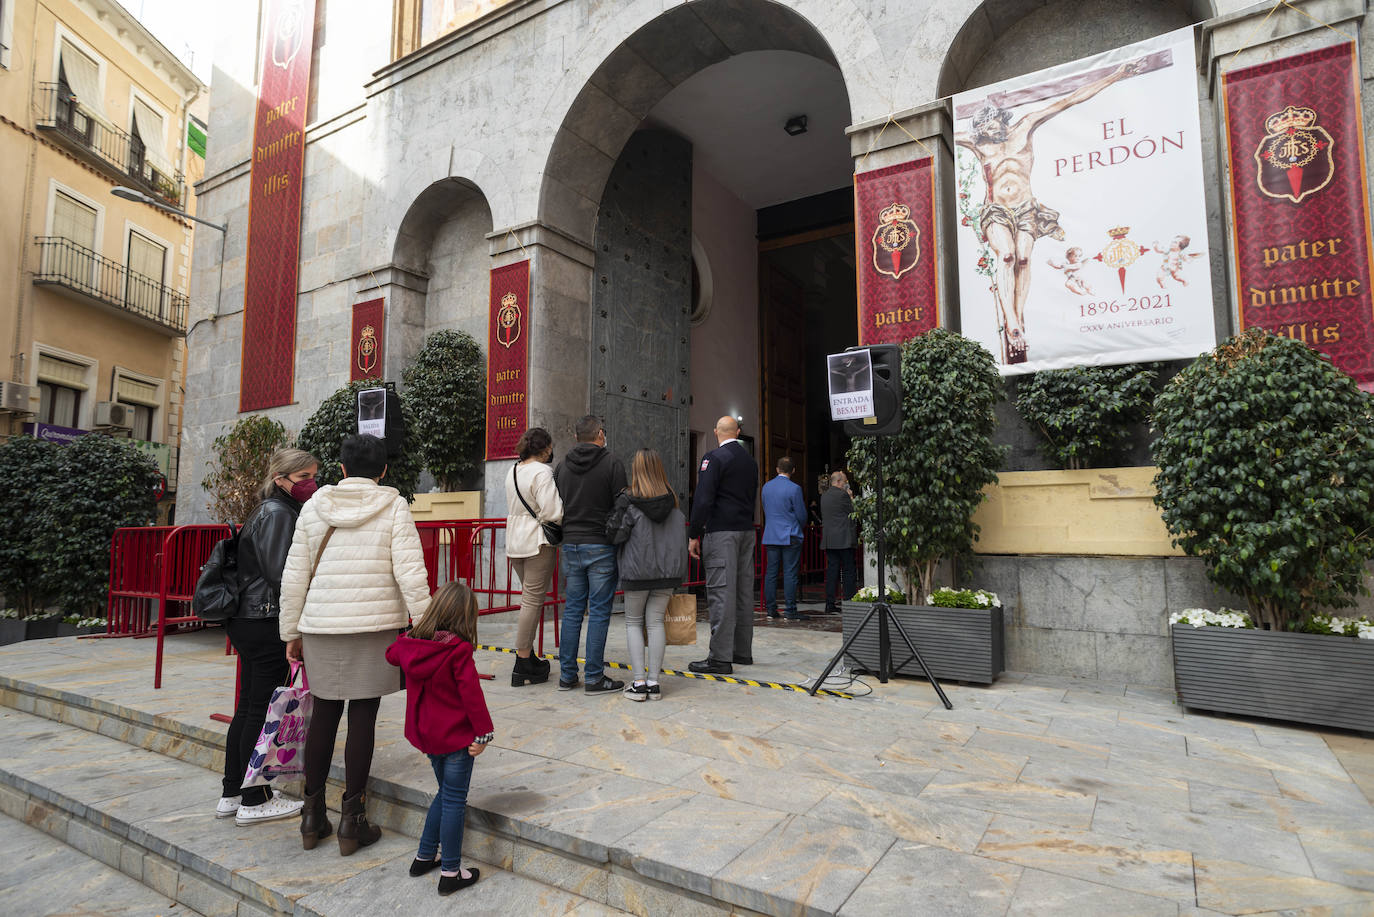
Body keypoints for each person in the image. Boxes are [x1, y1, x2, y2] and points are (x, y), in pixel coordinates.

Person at [279, 434, 431, 855]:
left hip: (322, 626)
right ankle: (353, 821)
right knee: (363, 717)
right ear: (383, 471)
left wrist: (291, 631)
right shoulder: (394, 506)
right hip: (375, 625)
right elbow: (411, 572)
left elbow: (295, 574)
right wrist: (428, 623)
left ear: (341, 469)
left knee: (324, 713)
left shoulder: (313, 507)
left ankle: (312, 817)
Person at [954, 57, 1145, 363]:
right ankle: (1012, 324)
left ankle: (1017, 316)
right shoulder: (978, 144)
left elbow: (1069, 100)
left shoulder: (1024, 126)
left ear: (1001, 120)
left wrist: (1116, 74)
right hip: (996, 211)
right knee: (1007, 256)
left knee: (1025, 259)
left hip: (1027, 209)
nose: (992, 131)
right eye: (985, 128)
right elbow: (931, 132)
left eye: (994, 125)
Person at [217, 447, 319, 826]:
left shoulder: (272, 510)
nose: (311, 483)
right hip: (264, 619)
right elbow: (283, 577)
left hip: (249, 618)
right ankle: (254, 799)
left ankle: (233, 791)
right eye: (304, 477)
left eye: (313, 475)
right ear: (281, 480)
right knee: (261, 709)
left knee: (248, 706)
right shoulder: (279, 514)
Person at [385, 582, 493, 896]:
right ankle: (450, 871)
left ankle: (424, 855)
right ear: (466, 617)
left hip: (428, 738)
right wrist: (483, 733)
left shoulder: (412, 644)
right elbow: (472, 696)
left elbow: (391, 654)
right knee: (454, 801)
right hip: (457, 740)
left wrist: (410, 633)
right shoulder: (458, 651)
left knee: (445, 794)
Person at [553, 415, 627, 694]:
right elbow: (621, 506)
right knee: (598, 612)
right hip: (600, 545)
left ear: (576, 438)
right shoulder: (612, 463)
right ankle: (594, 677)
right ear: (599, 434)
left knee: (572, 611)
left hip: (571, 544)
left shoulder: (561, 467)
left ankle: (567, 676)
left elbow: (557, 503)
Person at [607, 448, 687, 701]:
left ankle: (638, 683)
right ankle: (654, 683)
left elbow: (615, 534)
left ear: (636, 471)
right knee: (655, 623)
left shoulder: (629, 503)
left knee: (633, 622)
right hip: (666, 575)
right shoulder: (673, 503)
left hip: (637, 572)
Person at [687, 416, 758, 674]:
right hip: (746, 531)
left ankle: (719, 657)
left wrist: (694, 533)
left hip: (722, 533)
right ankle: (741, 651)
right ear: (738, 432)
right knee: (742, 591)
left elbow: (704, 499)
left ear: (716, 431)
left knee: (721, 592)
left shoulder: (714, 459)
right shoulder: (750, 462)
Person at [504, 427, 563, 687]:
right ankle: (523, 660)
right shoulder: (542, 472)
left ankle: (528, 656)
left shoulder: (513, 469)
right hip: (538, 541)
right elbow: (553, 511)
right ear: (545, 448)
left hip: (515, 540)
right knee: (532, 601)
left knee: (528, 599)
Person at [760, 456, 808, 622]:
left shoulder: (766, 487)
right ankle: (790, 610)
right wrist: (798, 526)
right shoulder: (795, 488)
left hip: (771, 534)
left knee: (771, 574)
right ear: (793, 470)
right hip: (790, 534)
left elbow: (766, 509)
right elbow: (801, 515)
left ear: (777, 469)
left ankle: (771, 610)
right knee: (790, 573)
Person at [821, 471, 858, 614]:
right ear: (838, 482)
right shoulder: (843, 495)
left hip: (830, 540)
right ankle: (849, 602)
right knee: (848, 570)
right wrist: (851, 496)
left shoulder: (824, 496)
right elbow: (854, 511)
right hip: (844, 539)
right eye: (845, 481)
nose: (846, 484)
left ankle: (829, 603)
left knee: (832, 571)